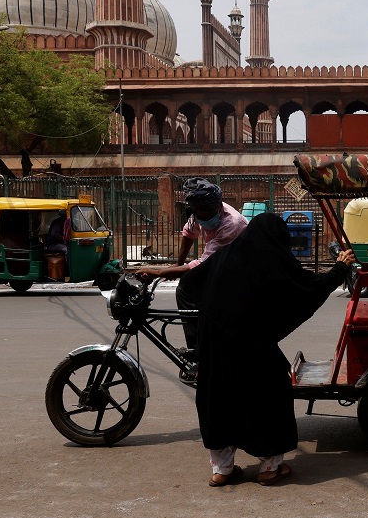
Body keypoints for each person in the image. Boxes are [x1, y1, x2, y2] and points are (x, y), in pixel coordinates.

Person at [178, 213, 355, 487]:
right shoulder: (271, 262)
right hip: (251, 343)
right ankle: (270, 467)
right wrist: (339, 269)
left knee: (219, 398)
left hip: (214, 342)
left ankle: (222, 470)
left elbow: (188, 284)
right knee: (269, 395)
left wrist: (208, 318)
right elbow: (306, 289)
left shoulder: (226, 255)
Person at [138, 178, 248, 370]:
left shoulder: (231, 223)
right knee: (185, 288)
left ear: (218, 206)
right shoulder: (198, 215)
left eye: (210, 213)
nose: (206, 218)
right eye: (201, 214)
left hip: (238, 271)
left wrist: (158, 272)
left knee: (189, 290)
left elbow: (202, 265)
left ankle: (200, 352)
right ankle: (198, 346)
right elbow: (189, 234)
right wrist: (178, 266)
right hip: (221, 266)